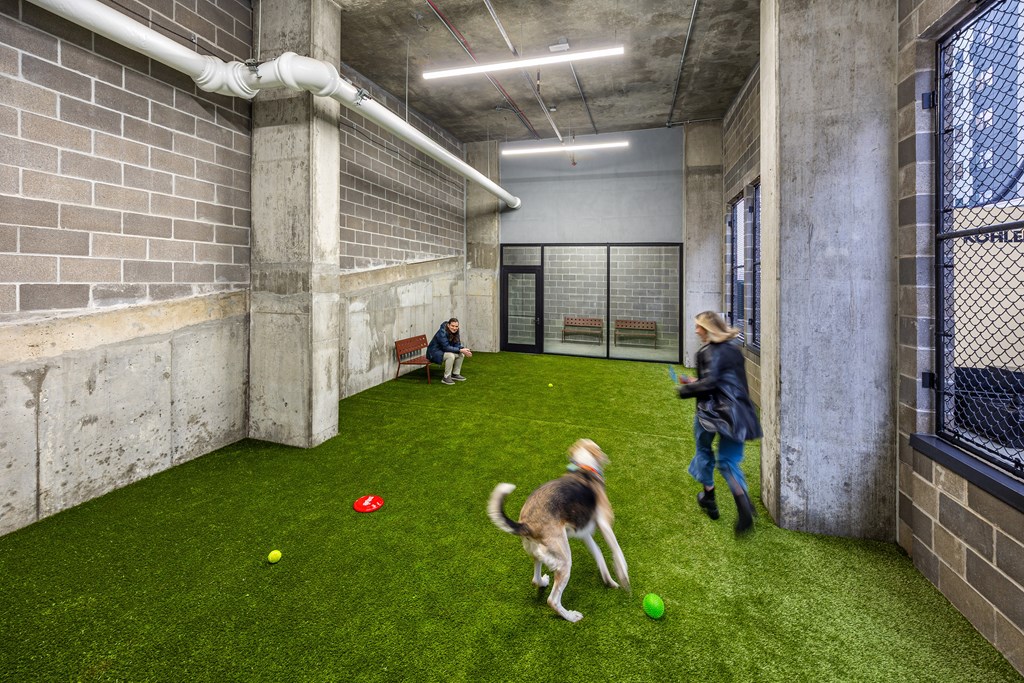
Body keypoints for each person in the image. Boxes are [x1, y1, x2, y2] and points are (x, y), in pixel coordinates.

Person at [676, 310, 762, 534]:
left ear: (709, 329)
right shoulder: (735, 351)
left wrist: (686, 388)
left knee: (703, 451)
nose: (696, 331)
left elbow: (711, 384)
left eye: (699, 327)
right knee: (728, 462)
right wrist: (697, 380)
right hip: (740, 415)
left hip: (711, 415)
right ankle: (743, 505)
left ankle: (709, 497)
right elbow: (726, 382)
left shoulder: (706, 352)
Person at [427, 317, 472, 385]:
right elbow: (446, 347)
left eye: (456, 326)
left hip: (443, 351)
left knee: (461, 354)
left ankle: (455, 374)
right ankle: (446, 377)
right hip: (433, 353)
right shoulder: (442, 332)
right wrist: (460, 349)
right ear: (448, 325)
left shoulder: (456, 331)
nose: (454, 328)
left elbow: (457, 344)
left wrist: (464, 350)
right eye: (452, 326)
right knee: (450, 356)